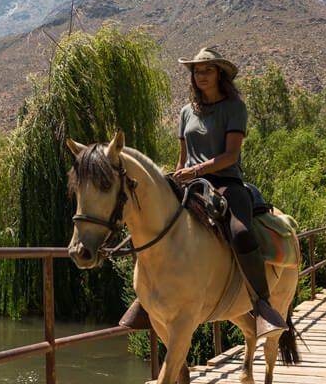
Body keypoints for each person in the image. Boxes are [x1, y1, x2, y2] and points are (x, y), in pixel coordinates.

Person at [119, 46, 287, 340]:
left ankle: (262, 304)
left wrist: (196, 171)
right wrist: (176, 177)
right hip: (188, 184)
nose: (201, 75)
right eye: (197, 71)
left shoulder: (234, 108)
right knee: (147, 228)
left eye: (207, 70)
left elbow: (230, 155)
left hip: (226, 183)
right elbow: (182, 158)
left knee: (241, 232)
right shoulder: (186, 112)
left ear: (220, 74)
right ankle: (145, 300)